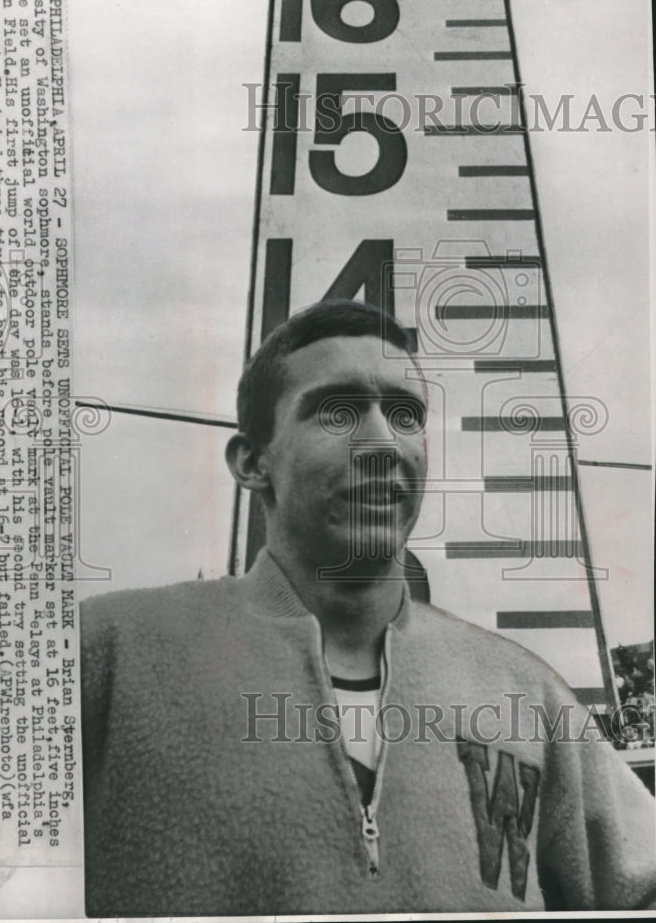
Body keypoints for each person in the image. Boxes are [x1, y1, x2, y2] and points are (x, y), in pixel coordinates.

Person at [80, 300, 656, 916]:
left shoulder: (527, 693)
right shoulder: (108, 651)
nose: (383, 442)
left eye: (405, 414)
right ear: (252, 462)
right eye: (338, 411)